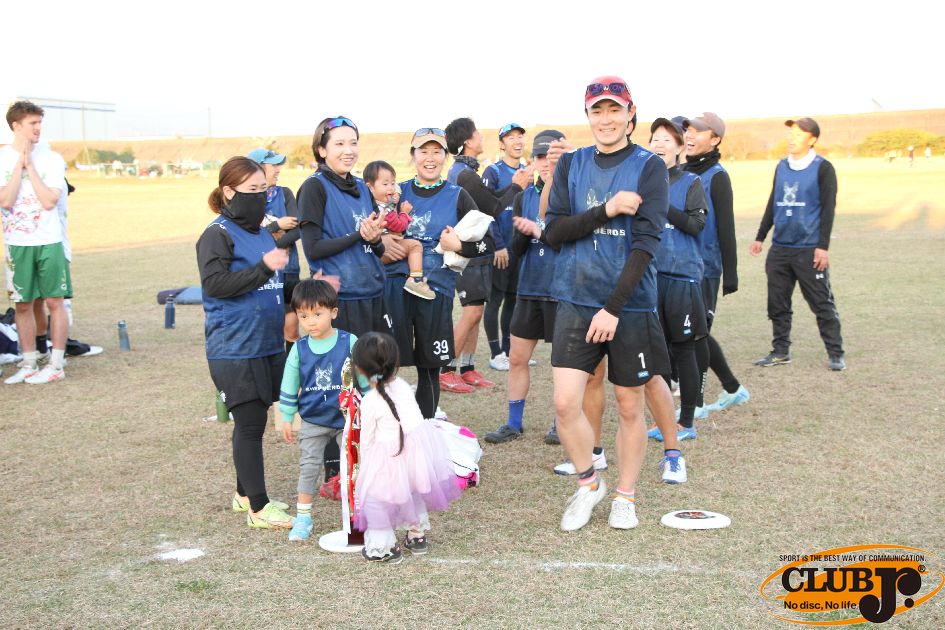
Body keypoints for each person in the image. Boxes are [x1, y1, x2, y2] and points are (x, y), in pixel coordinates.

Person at [544, 76, 670, 531]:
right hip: (576, 298)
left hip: (628, 305)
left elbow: (646, 244)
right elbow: (554, 232)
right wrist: (607, 210)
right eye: (597, 110)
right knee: (565, 403)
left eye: (615, 109)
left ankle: (625, 496)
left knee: (629, 405)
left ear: (630, 115)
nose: (606, 119)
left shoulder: (649, 167)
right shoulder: (572, 163)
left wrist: (613, 308)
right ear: (588, 116)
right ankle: (588, 484)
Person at [197, 156, 292, 529]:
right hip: (235, 346)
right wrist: (264, 268)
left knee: (258, 416)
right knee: (250, 423)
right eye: (252, 190)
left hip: (267, 341)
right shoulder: (216, 234)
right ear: (228, 192)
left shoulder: (261, 233)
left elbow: (273, 285)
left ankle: (244, 494)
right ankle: (259, 508)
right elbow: (216, 285)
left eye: (264, 190)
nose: (261, 197)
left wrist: (311, 290)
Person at [384, 127, 494, 419]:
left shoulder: (458, 195)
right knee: (385, 366)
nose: (430, 158)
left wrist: (459, 245)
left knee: (430, 368)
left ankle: (426, 428)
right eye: (423, 151)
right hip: (395, 291)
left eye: (436, 151)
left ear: (446, 156)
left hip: (436, 293)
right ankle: (391, 432)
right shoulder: (397, 191)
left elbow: (489, 243)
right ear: (413, 155)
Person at [352, 332, 462, 563]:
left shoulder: (370, 400)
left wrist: (364, 468)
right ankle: (416, 535)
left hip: (389, 458)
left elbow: (367, 439)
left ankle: (383, 548)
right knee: (413, 492)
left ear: (360, 369)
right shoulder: (402, 386)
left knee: (376, 501)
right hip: (416, 455)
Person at [483, 129, 563, 445]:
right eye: (540, 156)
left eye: (551, 157)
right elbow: (516, 250)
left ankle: (561, 422)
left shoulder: (572, 196)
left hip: (562, 291)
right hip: (529, 288)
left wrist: (542, 232)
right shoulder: (523, 197)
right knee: (517, 357)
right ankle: (513, 423)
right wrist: (524, 235)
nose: (545, 163)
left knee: (563, 364)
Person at [440, 117, 529, 393]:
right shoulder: (464, 174)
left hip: (475, 251)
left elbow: (490, 198)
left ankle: (467, 368)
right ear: (468, 141)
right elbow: (492, 209)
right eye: (477, 133)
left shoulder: (466, 171)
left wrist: (513, 187)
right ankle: (446, 370)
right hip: (468, 251)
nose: (481, 136)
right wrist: (517, 187)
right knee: (472, 312)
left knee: (476, 311)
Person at [750, 118, 845, 371]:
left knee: (821, 303)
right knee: (777, 303)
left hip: (809, 248)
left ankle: (835, 352)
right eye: (791, 133)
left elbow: (828, 209)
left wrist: (822, 246)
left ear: (812, 139)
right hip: (780, 248)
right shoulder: (781, 166)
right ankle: (781, 351)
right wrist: (761, 236)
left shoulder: (823, 168)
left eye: (799, 134)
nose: (792, 138)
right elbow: (773, 202)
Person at [642, 118, 708, 475]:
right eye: (655, 139)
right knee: (660, 351)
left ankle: (687, 421)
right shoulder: (642, 180)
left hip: (682, 276)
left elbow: (696, 225)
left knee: (683, 349)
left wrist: (662, 202)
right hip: (651, 276)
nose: (660, 144)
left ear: (680, 147)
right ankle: (663, 419)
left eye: (667, 140)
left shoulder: (691, 182)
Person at [278, 279, 357, 541]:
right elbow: (289, 383)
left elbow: (365, 378)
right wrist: (287, 416)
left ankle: (360, 514)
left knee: (355, 466)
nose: (310, 322)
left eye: (317, 314)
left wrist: (371, 409)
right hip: (313, 420)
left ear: (333, 312)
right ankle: (303, 518)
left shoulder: (349, 341)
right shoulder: (299, 349)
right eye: (303, 316)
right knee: (309, 466)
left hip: (346, 419)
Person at [682, 113, 750, 413]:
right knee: (693, 333)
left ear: (715, 139)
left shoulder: (717, 176)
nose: (690, 135)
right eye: (688, 130)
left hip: (705, 268)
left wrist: (730, 274)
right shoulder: (682, 171)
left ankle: (696, 404)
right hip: (680, 266)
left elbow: (726, 227)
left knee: (697, 335)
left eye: (698, 131)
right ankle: (733, 388)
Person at [297, 116, 388, 337]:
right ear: (321, 150)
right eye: (339, 144)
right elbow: (313, 249)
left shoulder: (362, 187)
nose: (348, 151)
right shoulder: (314, 187)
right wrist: (359, 234)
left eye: (353, 143)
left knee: (379, 358)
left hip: (373, 292)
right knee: (348, 360)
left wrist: (375, 239)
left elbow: (378, 249)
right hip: (339, 298)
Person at [1, 101, 70, 385]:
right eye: (32, 123)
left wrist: (31, 166)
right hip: (17, 242)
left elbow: (49, 200)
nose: (38, 128)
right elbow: (5, 200)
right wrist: (20, 165)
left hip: (49, 240)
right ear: (16, 126)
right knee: (22, 304)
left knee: (55, 301)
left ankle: (56, 363)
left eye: (40, 122)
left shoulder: (52, 159)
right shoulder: (3, 158)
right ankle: (29, 361)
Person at [246, 148, 302, 354]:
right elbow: (248, 237)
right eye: (273, 165)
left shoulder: (285, 193)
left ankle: (292, 371)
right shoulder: (247, 199)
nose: (278, 170)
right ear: (258, 169)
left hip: (289, 272)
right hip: (262, 275)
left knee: (292, 330)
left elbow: (297, 229)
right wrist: (277, 225)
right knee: (267, 331)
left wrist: (271, 242)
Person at [482, 123, 526, 371]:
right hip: (500, 249)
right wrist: (498, 244)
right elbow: (486, 211)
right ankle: (495, 353)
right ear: (502, 144)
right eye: (510, 137)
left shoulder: (526, 172)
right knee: (495, 300)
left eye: (520, 136)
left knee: (513, 300)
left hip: (519, 248)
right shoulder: (494, 171)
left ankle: (509, 352)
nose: (517, 141)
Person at [363, 160, 435, 300]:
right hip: (383, 251)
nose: (391, 188)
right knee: (415, 246)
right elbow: (399, 226)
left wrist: (392, 202)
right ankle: (415, 279)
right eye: (385, 184)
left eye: (392, 183)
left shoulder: (370, 204)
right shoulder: (383, 210)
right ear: (370, 187)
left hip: (370, 252)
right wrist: (404, 213)